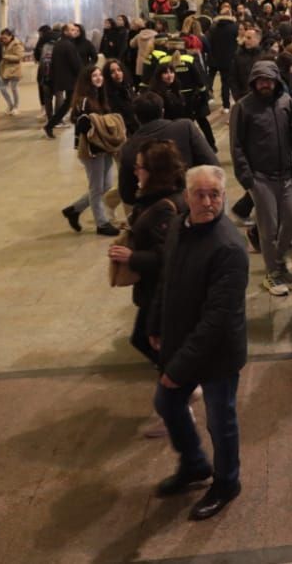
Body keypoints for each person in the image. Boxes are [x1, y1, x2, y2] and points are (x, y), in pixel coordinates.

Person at [147, 165, 248, 522]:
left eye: (215, 195)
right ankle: (194, 464)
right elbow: (167, 278)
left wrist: (179, 367)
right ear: (186, 196)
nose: (207, 202)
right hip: (183, 338)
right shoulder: (178, 226)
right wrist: (155, 321)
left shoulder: (230, 248)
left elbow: (216, 320)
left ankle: (227, 482)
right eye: (200, 195)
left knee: (221, 422)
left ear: (224, 196)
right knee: (166, 401)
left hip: (217, 352)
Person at [109, 139, 186, 407]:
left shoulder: (164, 207)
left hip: (159, 291)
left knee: (148, 339)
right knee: (150, 340)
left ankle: (180, 392)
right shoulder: (155, 200)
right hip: (155, 290)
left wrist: (132, 257)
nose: (135, 171)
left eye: (139, 167)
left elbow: (167, 255)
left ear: (154, 172)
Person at [229, 58, 292, 296]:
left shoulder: (285, 101)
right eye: (260, 80)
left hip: (286, 174)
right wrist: (247, 178)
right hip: (261, 178)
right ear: (253, 81)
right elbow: (236, 145)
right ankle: (272, 273)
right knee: (268, 229)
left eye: (268, 79)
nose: (264, 84)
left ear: (275, 80)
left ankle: (278, 261)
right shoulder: (243, 107)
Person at [117, 92, 218, 206]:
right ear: (162, 111)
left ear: (136, 117)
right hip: (191, 202)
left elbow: (127, 195)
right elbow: (212, 163)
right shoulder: (185, 127)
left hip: (154, 210)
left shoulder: (128, 147)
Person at [62, 65, 127, 237]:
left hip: (103, 147)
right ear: (87, 80)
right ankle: (102, 223)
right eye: (94, 76)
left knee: (105, 185)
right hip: (91, 149)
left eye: (100, 75)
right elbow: (80, 122)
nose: (99, 78)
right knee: (96, 187)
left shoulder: (100, 96)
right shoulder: (84, 100)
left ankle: (74, 210)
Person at [43, 24, 85, 137]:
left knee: (70, 104)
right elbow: (75, 64)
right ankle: (50, 125)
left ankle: (51, 125)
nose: (75, 32)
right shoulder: (68, 45)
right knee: (70, 103)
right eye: (72, 30)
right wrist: (83, 75)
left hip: (65, 80)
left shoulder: (60, 43)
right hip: (71, 80)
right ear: (65, 32)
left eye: (75, 30)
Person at [0, 29, 24, 118]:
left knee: (14, 88)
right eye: (2, 38)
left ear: (10, 36)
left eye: (5, 38)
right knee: (2, 88)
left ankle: (16, 107)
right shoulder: (1, 44)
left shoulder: (17, 44)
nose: (3, 39)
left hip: (15, 69)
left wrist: (5, 56)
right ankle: (10, 105)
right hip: (4, 69)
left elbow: (19, 57)